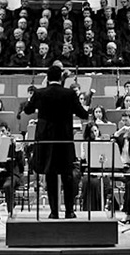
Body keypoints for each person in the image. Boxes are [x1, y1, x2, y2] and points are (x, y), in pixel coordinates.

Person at [21, 62, 90, 218]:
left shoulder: (40, 93)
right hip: (64, 139)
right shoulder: (69, 94)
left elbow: (27, 109)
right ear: (60, 78)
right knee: (67, 174)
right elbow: (83, 114)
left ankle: (53, 212)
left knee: (50, 174)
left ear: (47, 77)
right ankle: (70, 211)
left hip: (46, 140)